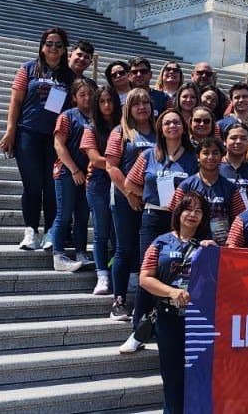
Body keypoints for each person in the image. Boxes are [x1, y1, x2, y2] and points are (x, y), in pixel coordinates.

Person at [119, 110, 198, 353]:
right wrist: (150, 197)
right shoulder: (148, 155)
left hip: (183, 221)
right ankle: (138, 331)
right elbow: (129, 183)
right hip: (154, 217)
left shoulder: (193, 158)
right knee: (149, 271)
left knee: (179, 272)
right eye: (167, 123)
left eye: (176, 122)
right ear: (160, 128)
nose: (172, 126)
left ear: (183, 127)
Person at [0, 27, 74, 251]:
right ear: (42, 47)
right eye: (49, 44)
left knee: (51, 186)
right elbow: (16, 100)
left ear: (64, 50)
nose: (53, 48)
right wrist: (10, 131)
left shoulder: (69, 76)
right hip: (28, 133)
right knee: (32, 185)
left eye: (58, 45)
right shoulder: (28, 69)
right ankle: (30, 231)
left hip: (55, 138)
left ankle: (51, 231)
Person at [139, 190, 212, 414]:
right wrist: (171, 292)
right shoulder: (161, 242)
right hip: (168, 317)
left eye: (198, 211)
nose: (193, 214)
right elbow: (144, 278)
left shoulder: (208, 246)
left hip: (200, 322)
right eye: (188, 209)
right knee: (172, 377)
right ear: (178, 212)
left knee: (200, 375)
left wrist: (214, 254)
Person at [105, 89, 157, 320]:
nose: (142, 107)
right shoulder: (121, 132)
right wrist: (129, 194)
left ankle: (145, 302)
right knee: (124, 249)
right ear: (128, 108)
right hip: (124, 198)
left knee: (149, 251)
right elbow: (111, 167)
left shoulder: (158, 133)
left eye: (145, 102)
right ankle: (119, 300)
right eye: (136, 103)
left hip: (153, 201)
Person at [51, 78, 95, 272]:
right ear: (75, 97)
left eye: (90, 94)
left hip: (89, 175)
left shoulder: (98, 118)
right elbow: (58, 144)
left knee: (83, 215)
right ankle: (58, 255)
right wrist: (74, 170)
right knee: (64, 213)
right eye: (82, 94)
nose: (87, 98)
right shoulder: (67, 116)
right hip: (67, 172)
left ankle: (81, 252)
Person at [81, 84, 121, 294]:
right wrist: (120, 166)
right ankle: (102, 275)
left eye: (110, 101)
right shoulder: (91, 128)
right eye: (102, 101)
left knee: (119, 233)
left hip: (121, 183)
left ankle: (116, 271)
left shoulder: (124, 126)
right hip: (99, 184)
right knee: (101, 232)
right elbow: (95, 159)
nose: (107, 105)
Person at [170, 137, 244, 245]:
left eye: (215, 153)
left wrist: (230, 244)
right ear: (198, 157)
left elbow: (240, 218)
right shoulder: (185, 186)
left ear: (221, 157)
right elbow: (174, 215)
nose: (210, 157)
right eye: (205, 153)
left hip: (220, 244)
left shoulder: (231, 188)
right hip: (190, 244)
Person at [219, 123, 248, 209]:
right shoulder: (215, 168)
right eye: (233, 138)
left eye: (243, 138)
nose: (238, 141)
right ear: (224, 141)